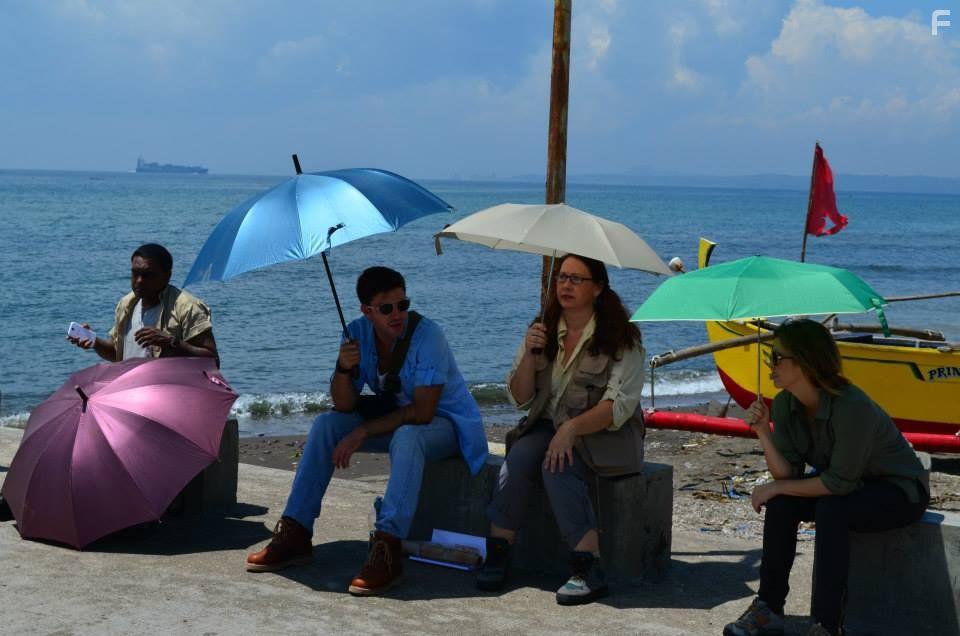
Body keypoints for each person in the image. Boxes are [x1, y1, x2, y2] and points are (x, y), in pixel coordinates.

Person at [245, 266, 487, 596]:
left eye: (403, 304)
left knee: (408, 435)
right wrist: (344, 367)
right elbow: (344, 405)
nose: (397, 314)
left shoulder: (429, 336)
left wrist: (362, 432)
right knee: (326, 424)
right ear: (366, 311)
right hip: (397, 416)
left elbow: (422, 411)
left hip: (445, 426)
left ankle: (388, 548)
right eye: (386, 308)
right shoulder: (356, 332)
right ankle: (296, 532)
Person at [723, 319, 928, 636]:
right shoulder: (787, 404)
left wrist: (776, 486)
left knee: (832, 508)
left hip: (898, 489)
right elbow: (789, 473)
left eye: (777, 357)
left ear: (804, 362)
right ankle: (768, 607)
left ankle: (825, 625)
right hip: (848, 484)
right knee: (782, 503)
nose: (770, 364)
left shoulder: (851, 406)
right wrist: (763, 433)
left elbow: (837, 484)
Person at [476, 253, 647, 605]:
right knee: (520, 457)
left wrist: (570, 431)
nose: (566, 285)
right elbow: (519, 399)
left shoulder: (622, 340)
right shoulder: (543, 330)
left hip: (605, 436)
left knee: (557, 464)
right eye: (562, 278)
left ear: (598, 288)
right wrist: (530, 357)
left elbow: (618, 407)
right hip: (550, 426)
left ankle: (589, 566)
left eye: (577, 279)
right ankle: (498, 551)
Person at [67, 243, 218, 363]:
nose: (139, 281)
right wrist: (93, 341)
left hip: (171, 395)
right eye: (135, 273)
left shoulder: (187, 307)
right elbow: (117, 353)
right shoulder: (126, 304)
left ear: (167, 276)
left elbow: (212, 359)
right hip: (134, 394)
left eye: (147, 275)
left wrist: (170, 342)